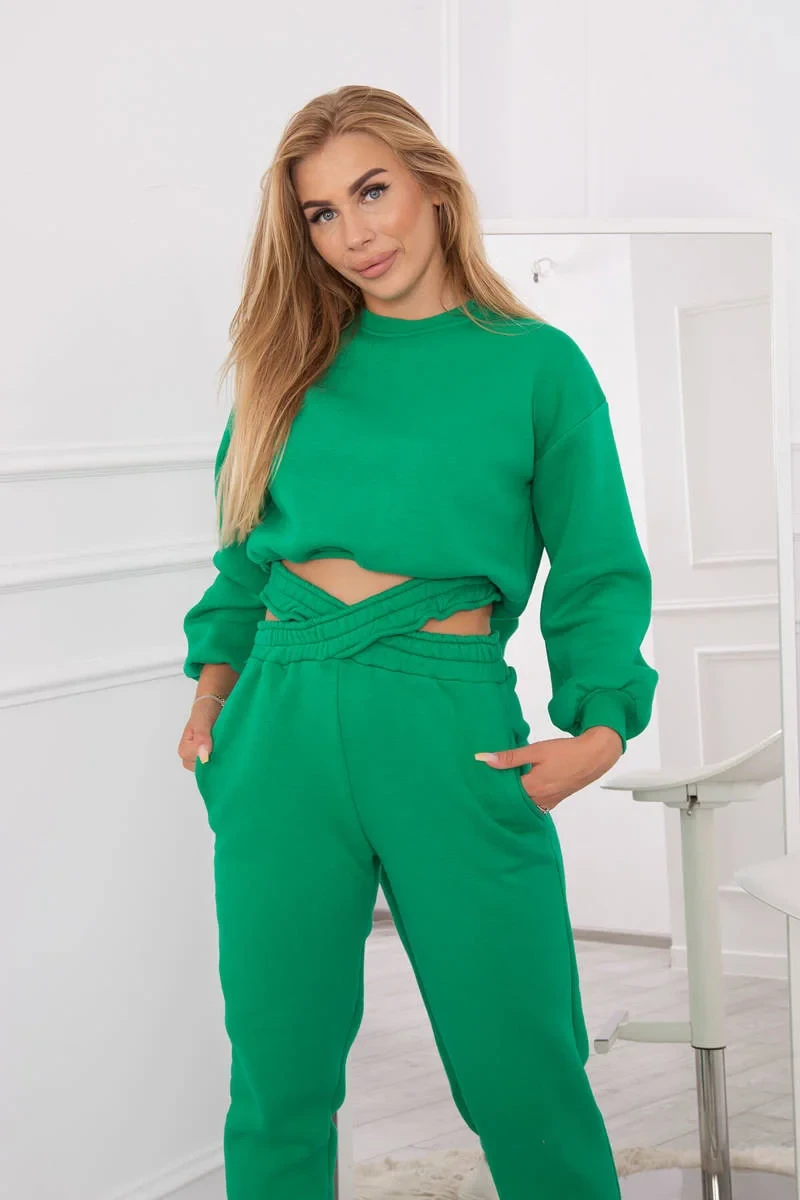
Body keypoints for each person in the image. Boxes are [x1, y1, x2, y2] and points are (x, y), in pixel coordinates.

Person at [176, 83, 658, 1200]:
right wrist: (211, 703)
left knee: (524, 1073)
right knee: (278, 1082)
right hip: (279, 724)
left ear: (432, 184)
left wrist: (599, 728)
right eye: (321, 213)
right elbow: (243, 563)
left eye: (372, 191)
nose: (355, 233)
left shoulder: (537, 366)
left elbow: (597, 566)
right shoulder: (286, 367)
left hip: (448, 726)